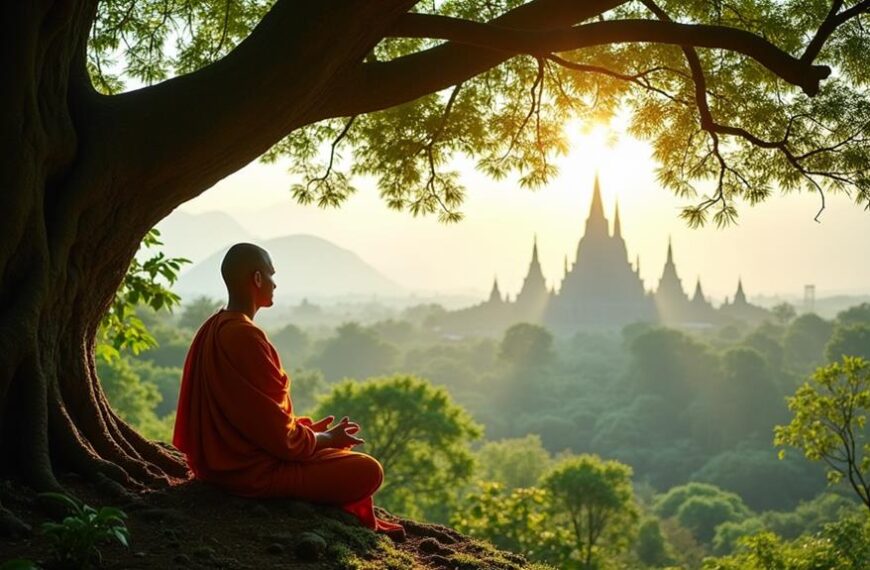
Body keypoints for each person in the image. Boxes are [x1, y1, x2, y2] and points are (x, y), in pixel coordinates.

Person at [172, 243, 403, 535]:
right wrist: (325, 439)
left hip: (221, 463)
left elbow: (254, 418)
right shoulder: (244, 336)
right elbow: (280, 440)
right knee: (368, 471)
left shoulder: (213, 326)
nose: (274, 283)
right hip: (248, 472)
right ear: (256, 279)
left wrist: (308, 432)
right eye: (270, 275)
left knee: (347, 463)